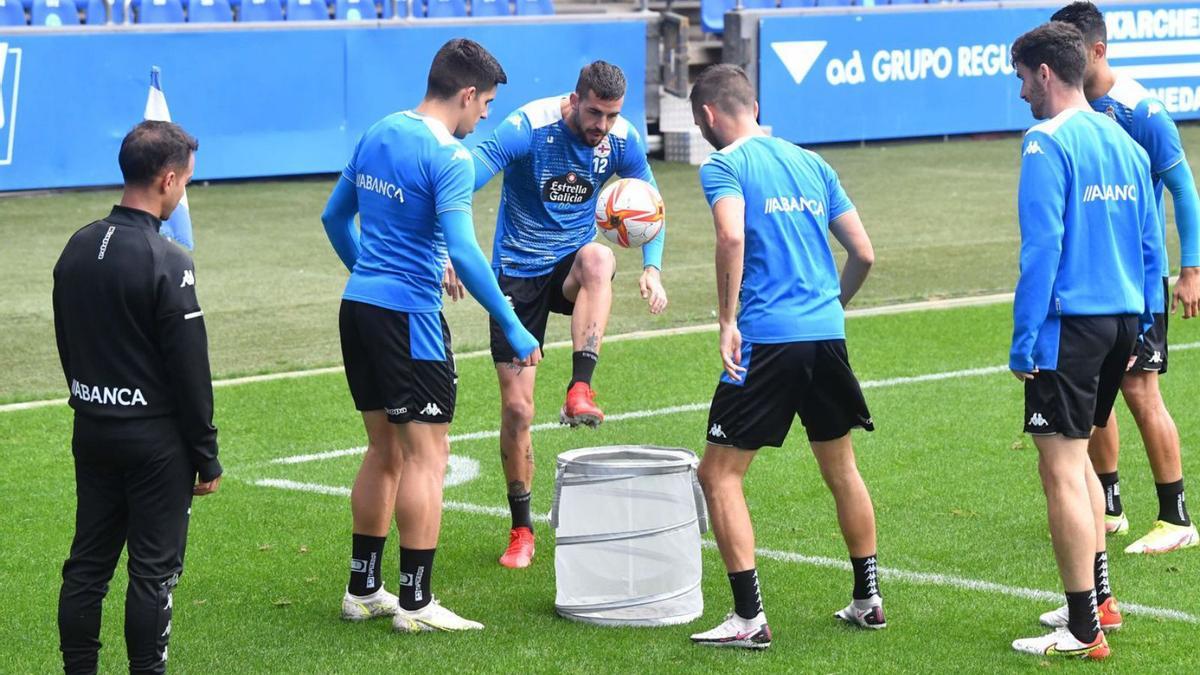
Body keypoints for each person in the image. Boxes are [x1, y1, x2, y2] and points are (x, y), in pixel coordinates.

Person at [321, 38, 541, 633]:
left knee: (383, 451)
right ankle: (416, 603)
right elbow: (466, 253)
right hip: (410, 319)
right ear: (467, 94)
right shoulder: (450, 158)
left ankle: (364, 589)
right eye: (487, 102)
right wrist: (513, 324)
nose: (487, 115)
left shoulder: (379, 131)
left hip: (359, 308)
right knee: (427, 456)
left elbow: (334, 218)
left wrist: (372, 274)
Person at [684, 64, 881, 650]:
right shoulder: (813, 163)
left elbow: (731, 237)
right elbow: (864, 253)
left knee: (717, 474)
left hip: (768, 339)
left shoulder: (723, 165)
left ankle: (748, 618)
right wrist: (828, 307)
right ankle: (868, 599)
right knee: (841, 468)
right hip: (825, 336)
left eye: (701, 124)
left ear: (710, 116)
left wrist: (726, 321)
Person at [469, 61, 669, 569]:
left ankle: (581, 388)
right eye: (595, 113)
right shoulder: (528, 127)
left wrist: (652, 267)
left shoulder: (621, 138)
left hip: (570, 266)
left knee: (600, 256)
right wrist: (441, 243)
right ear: (575, 99)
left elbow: (651, 201)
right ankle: (521, 529)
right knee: (517, 411)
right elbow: (468, 173)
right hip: (515, 273)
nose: (602, 125)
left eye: (612, 115)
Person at [1007, 22, 1162, 660]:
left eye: (1020, 77)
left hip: (1068, 325)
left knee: (1062, 467)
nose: (1019, 93)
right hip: (1122, 319)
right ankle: (1098, 602)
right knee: (1085, 464)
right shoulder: (1122, 141)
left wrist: (1023, 340)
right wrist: (1146, 325)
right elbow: (1151, 242)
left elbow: (1043, 247)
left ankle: (1081, 629)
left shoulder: (1045, 142)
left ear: (1045, 72)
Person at [54, 120, 220, 673]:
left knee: (86, 567)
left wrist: (89, 396)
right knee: (151, 574)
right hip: (154, 443)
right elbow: (191, 371)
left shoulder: (76, 246)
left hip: (92, 428)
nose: (185, 193)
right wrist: (206, 455)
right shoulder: (169, 261)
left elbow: (66, 340)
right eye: (187, 183)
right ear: (167, 179)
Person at [1050, 1, 1199, 555]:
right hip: (1093, 278)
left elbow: (1183, 189)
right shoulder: (1072, 108)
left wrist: (1190, 270)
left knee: (1140, 389)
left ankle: (1176, 516)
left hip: (1138, 276)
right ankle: (1108, 504)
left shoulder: (1141, 109)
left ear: (1096, 50)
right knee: (1097, 396)